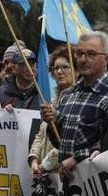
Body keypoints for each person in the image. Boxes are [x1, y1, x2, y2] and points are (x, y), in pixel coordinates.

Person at [43, 32, 108, 179]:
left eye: (91, 54)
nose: (83, 59)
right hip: (67, 184)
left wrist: (77, 158)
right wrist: (52, 122)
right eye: (79, 53)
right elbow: (60, 142)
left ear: (106, 59)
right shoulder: (68, 94)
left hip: (94, 186)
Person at [29, 47, 75, 176]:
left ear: (76, 70)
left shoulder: (77, 101)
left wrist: (45, 165)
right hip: (46, 175)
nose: (59, 72)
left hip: (64, 173)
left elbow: (68, 141)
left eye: (65, 67)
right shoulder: (52, 101)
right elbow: (41, 134)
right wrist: (34, 159)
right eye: (55, 68)